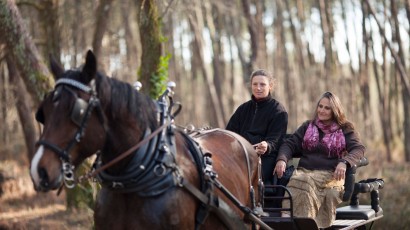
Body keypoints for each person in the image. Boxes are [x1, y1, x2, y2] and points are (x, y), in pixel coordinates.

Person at [274, 91, 365, 229]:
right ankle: (291, 223)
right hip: (305, 172)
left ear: (335, 110)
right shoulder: (308, 126)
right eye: (320, 106)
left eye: (327, 108)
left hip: (330, 176)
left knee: (305, 182)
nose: (322, 110)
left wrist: (344, 162)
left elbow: (358, 148)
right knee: (302, 181)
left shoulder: (345, 129)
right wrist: (282, 159)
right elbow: (289, 144)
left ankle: (304, 224)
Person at [226, 69, 288, 189]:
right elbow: (230, 133)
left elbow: (276, 140)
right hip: (240, 154)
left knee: (239, 176)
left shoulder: (279, 111)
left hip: (266, 159)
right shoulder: (243, 109)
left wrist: (267, 146)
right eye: (255, 84)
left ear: (270, 86)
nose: (258, 88)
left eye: (262, 84)